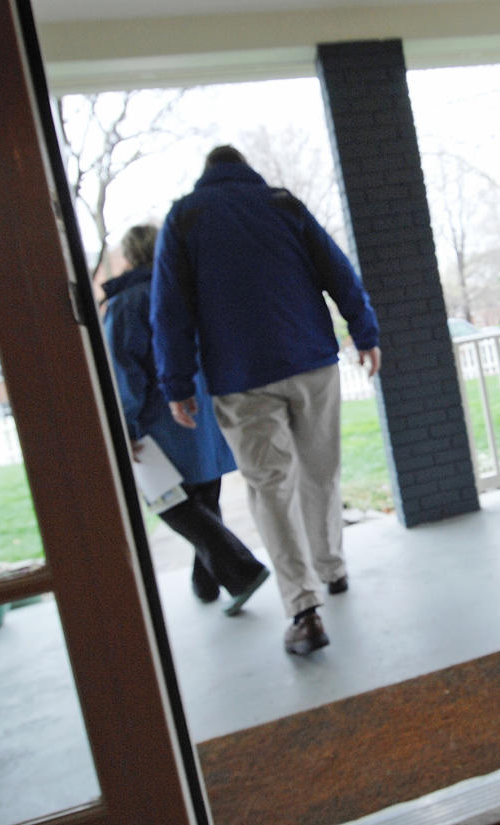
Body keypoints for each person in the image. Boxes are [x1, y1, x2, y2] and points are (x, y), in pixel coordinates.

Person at [150, 145, 380, 655]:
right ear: (246, 170)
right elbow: (338, 271)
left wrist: (177, 384)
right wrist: (365, 333)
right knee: (321, 470)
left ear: (204, 175)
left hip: (241, 376)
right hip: (312, 363)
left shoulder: (185, 216)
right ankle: (333, 569)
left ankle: (304, 609)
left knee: (270, 487)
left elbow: (168, 309)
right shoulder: (282, 203)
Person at [101, 223, 269, 616]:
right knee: (205, 498)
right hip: (208, 412)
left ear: (129, 256)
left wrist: (125, 424)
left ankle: (242, 573)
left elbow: (126, 372)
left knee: (169, 502)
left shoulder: (128, 303)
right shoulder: (196, 291)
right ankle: (207, 584)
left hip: (162, 419)